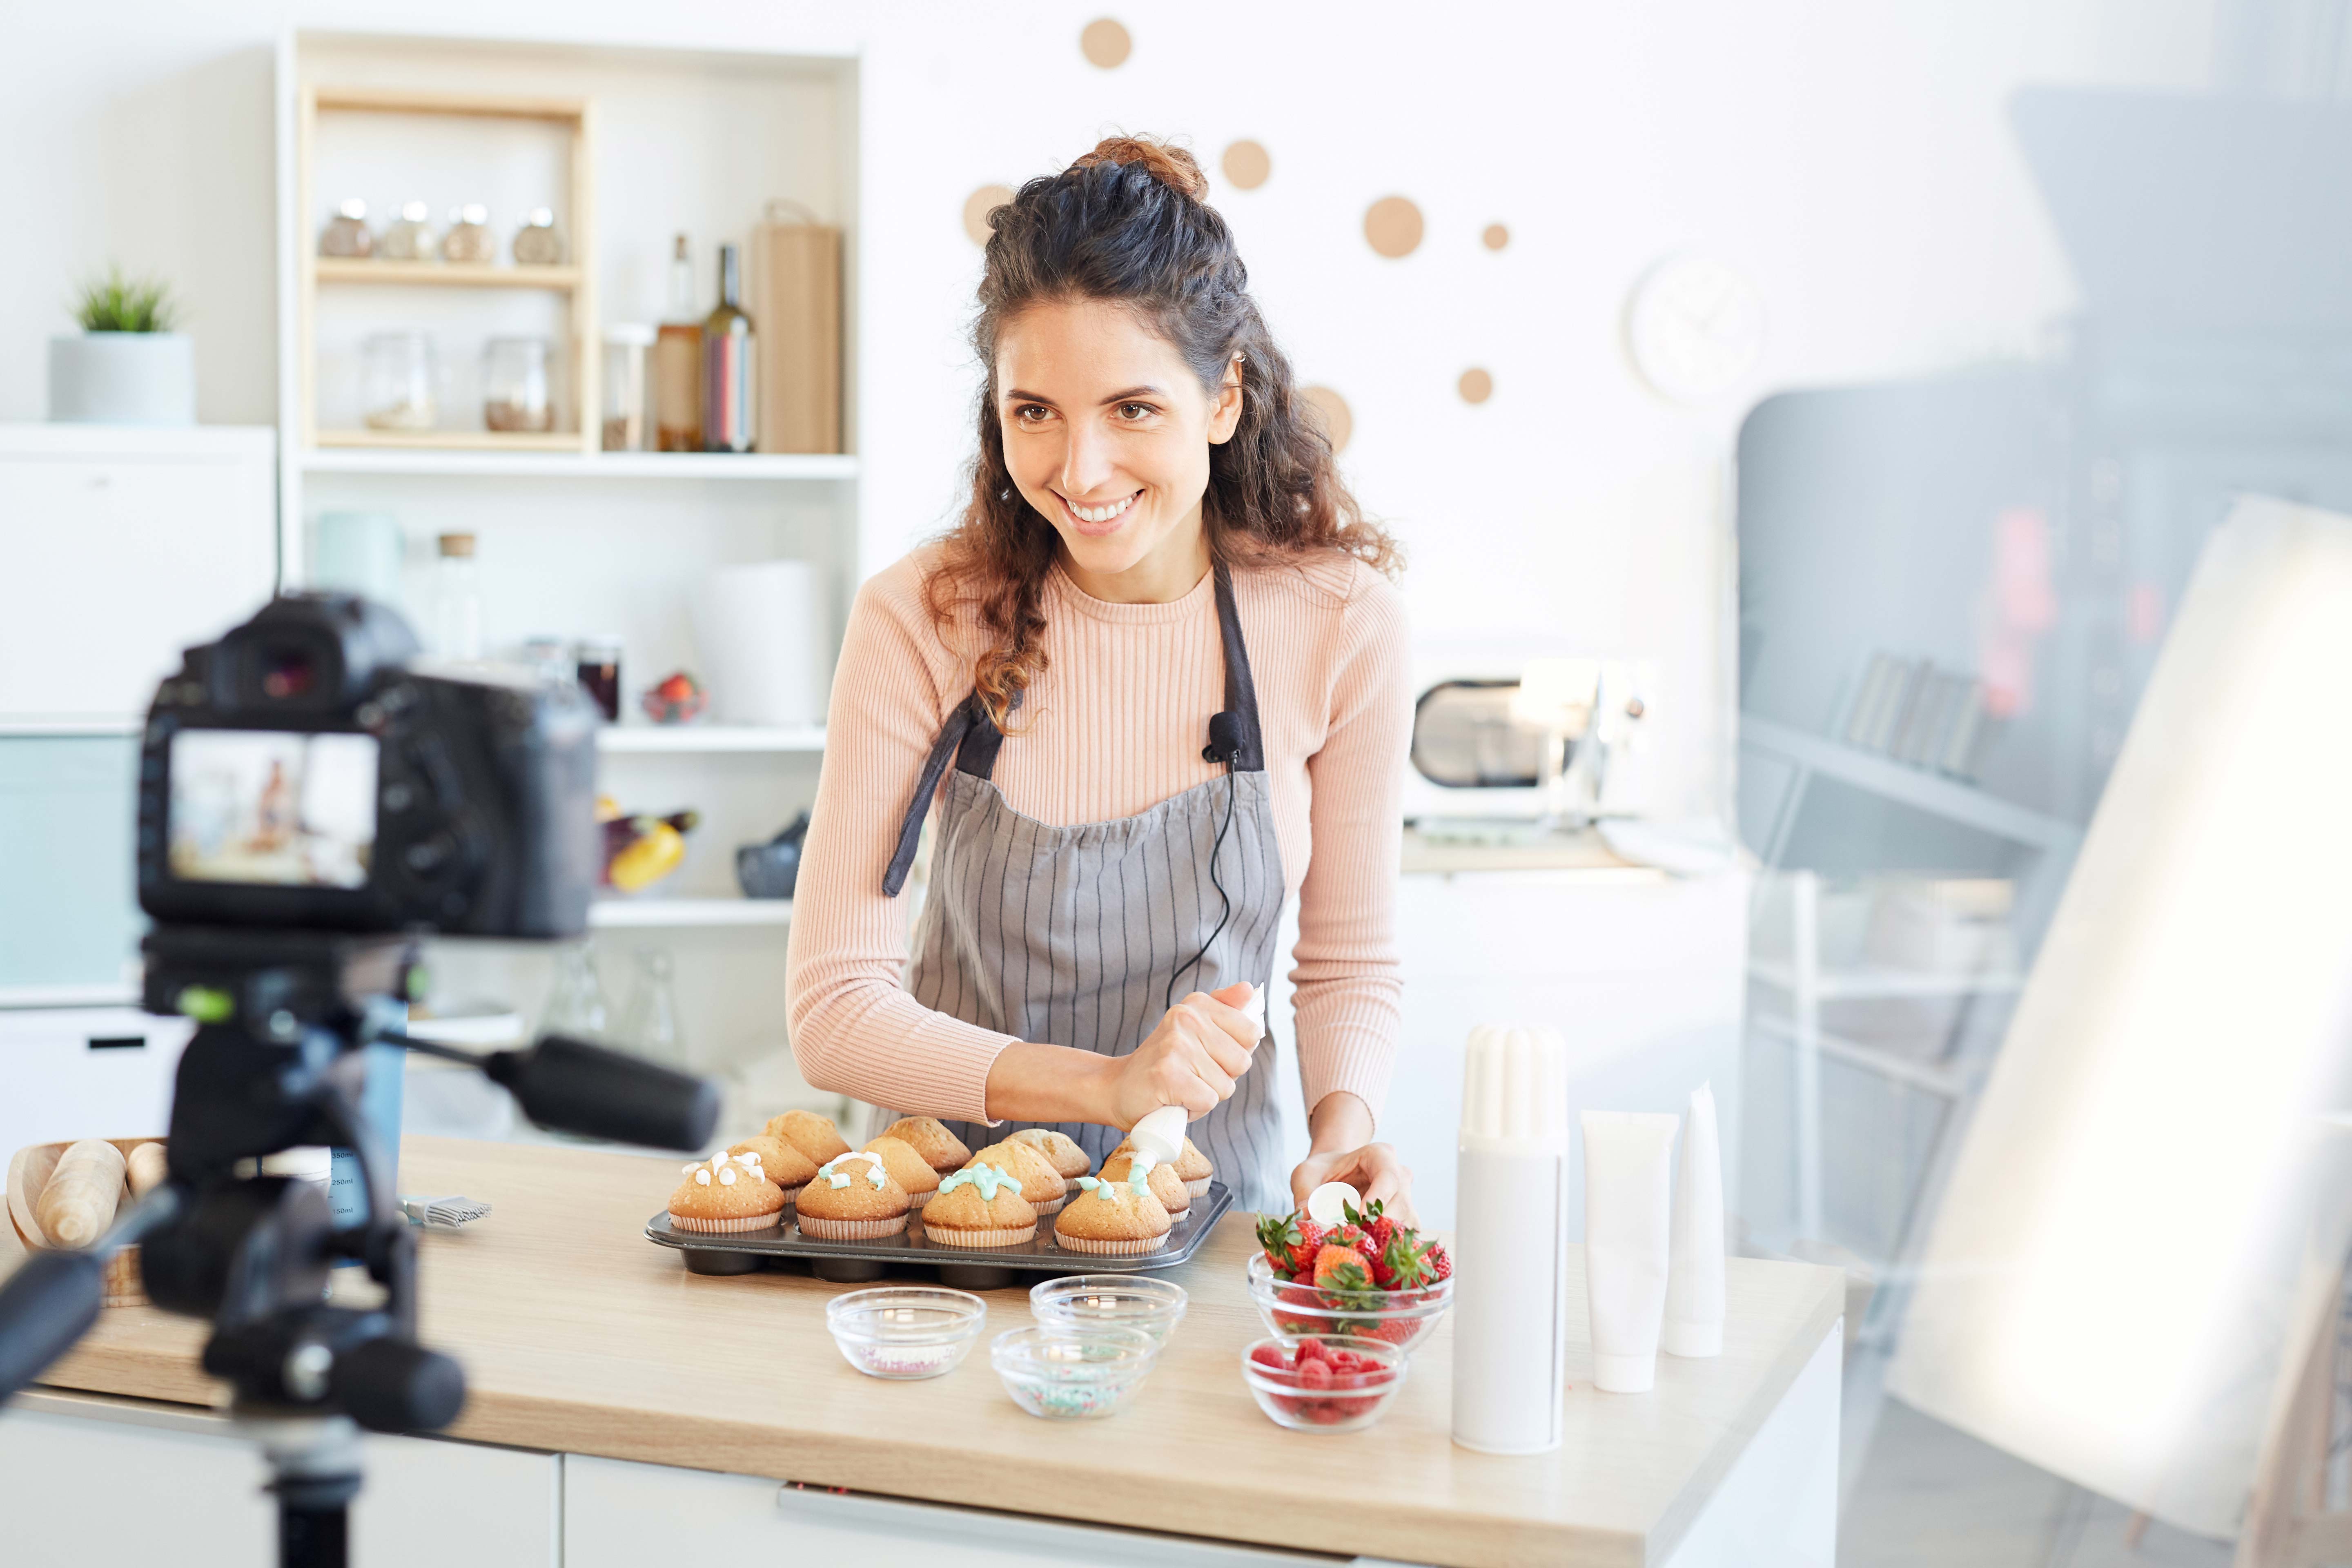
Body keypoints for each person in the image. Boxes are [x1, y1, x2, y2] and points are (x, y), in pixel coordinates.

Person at [785, 136, 1414, 1220]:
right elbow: (834, 1009)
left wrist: (1343, 1134)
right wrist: (1109, 1086)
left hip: (1209, 1228)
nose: (1079, 474)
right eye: (1035, 412)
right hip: (947, 1238)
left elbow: (1349, 956)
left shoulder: (1339, 622)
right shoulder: (922, 617)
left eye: (1133, 409)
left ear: (1223, 402)